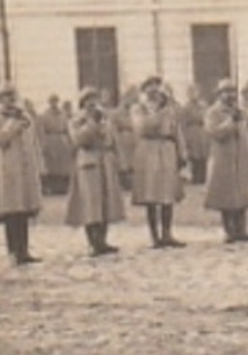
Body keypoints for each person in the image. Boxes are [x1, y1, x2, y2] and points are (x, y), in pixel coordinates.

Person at [0, 82, 45, 265]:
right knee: (11, 210)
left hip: (25, 168)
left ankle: (24, 249)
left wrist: (38, 164)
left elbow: (32, 141)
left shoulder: (24, 116)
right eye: (6, 96)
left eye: (12, 96)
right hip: (8, 169)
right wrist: (13, 124)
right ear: (0, 99)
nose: (10, 100)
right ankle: (13, 250)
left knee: (24, 209)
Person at [64, 86, 125, 256]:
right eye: (89, 100)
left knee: (105, 202)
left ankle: (103, 240)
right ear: (83, 103)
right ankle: (93, 242)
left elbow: (111, 139)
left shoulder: (105, 118)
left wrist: (103, 127)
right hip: (87, 162)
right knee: (91, 204)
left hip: (104, 160)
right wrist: (91, 123)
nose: (93, 104)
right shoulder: (76, 120)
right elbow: (79, 139)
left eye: (95, 100)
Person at [132, 76, 188, 249]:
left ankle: (167, 233)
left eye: (157, 86)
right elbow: (144, 128)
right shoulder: (139, 108)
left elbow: (176, 129)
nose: (155, 90)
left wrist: (182, 152)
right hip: (149, 149)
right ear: (145, 90)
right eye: (150, 87)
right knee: (151, 193)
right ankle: (154, 235)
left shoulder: (169, 107)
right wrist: (159, 112)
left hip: (167, 148)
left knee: (167, 193)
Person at [201, 80, 248, 245]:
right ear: (219, 94)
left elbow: (247, 132)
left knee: (241, 193)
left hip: (240, 158)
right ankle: (229, 230)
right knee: (226, 196)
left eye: (233, 91)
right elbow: (214, 132)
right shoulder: (213, 112)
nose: (231, 95)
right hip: (223, 158)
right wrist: (230, 123)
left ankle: (242, 229)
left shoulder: (240, 112)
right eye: (226, 92)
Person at [36, 95, 73, 196]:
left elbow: (67, 129)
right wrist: (43, 144)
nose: (54, 104)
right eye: (52, 101)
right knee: (52, 165)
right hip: (50, 140)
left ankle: (63, 187)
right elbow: (41, 131)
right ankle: (53, 187)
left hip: (62, 140)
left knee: (64, 165)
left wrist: (70, 142)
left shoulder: (63, 114)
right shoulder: (44, 115)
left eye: (56, 101)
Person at [180, 86, 210, 186]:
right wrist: (185, 136)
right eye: (191, 93)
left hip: (203, 131)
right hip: (192, 131)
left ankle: (203, 177)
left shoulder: (203, 105)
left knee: (203, 155)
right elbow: (183, 123)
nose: (194, 95)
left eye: (195, 92)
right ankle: (196, 177)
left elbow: (208, 117)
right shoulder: (186, 108)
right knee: (194, 155)